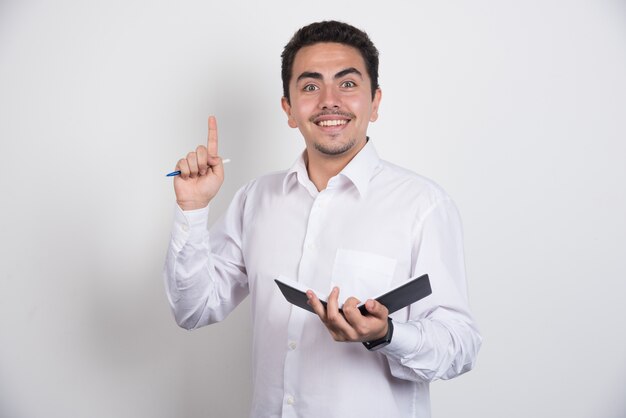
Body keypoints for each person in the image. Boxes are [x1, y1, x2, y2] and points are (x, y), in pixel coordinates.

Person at [164, 20, 481, 418]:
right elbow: (193, 309)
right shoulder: (256, 199)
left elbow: (460, 347)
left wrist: (387, 334)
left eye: (347, 84)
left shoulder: (424, 205)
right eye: (310, 87)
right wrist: (192, 210)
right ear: (289, 109)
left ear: (375, 102)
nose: (330, 100)